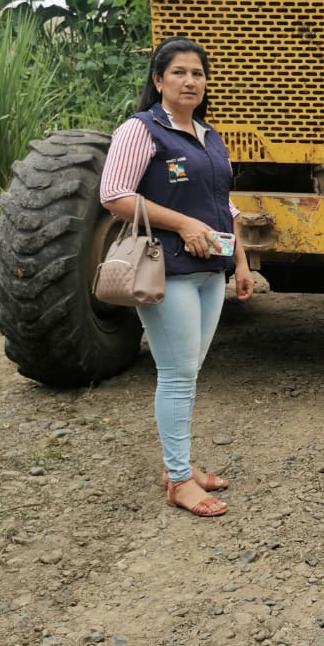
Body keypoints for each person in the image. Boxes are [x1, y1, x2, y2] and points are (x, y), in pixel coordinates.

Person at [100, 37, 254, 518]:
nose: (190, 81)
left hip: (211, 270)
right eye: (179, 72)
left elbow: (223, 205)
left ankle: (179, 466)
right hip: (167, 268)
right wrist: (184, 224)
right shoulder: (141, 130)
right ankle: (180, 480)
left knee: (188, 371)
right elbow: (114, 194)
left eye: (198, 74)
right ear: (158, 79)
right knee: (177, 375)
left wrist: (242, 261)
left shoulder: (208, 135)